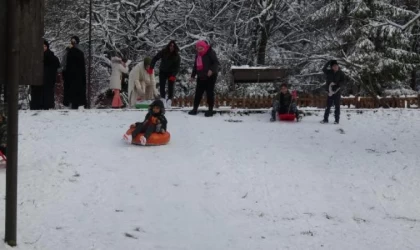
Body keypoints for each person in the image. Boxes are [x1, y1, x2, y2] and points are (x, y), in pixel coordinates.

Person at [188, 40, 220, 117]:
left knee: (209, 93)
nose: (199, 50)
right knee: (198, 93)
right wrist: (192, 76)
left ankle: (210, 110)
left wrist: (211, 70)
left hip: (211, 76)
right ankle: (195, 109)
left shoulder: (210, 52)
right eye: (198, 49)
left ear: (204, 47)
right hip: (201, 76)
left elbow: (216, 62)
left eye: (201, 48)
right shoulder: (198, 55)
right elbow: (195, 66)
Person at [30, 40, 61, 110]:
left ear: (47, 47)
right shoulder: (35, 56)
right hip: (37, 79)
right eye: (42, 46)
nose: (43, 48)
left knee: (47, 95)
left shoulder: (52, 57)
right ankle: (38, 106)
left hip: (48, 80)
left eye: (44, 46)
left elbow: (57, 66)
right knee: (37, 94)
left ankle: (47, 106)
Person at [150, 40, 181, 108]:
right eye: (170, 45)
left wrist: (173, 75)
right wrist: (151, 67)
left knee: (171, 86)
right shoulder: (164, 52)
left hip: (171, 72)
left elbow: (177, 67)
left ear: (175, 47)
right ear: (169, 46)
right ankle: (163, 99)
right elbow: (155, 58)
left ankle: (169, 100)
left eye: (173, 46)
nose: (171, 47)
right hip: (163, 71)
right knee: (162, 85)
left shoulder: (177, 56)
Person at [62, 36, 87, 109]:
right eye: (72, 40)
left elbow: (81, 63)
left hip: (77, 74)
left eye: (74, 40)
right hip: (70, 74)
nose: (73, 42)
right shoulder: (68, 50)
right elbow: (64, 60)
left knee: (76, 90)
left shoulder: (80, 50)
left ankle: (75, 104)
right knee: (70, 90)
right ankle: (71, 103)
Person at [320, 60, 345, 124]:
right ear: (331, 67)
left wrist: (338, 85)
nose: (335, 67)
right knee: (328, 106)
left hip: (337, 91)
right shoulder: (329, 72)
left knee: (337, 106)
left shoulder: (341, 73)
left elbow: (344, 81)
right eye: (334, 66)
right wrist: (328, 62)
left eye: (336, 66)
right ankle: (325, 119)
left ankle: (336, 120)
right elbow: (323, 69)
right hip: (330, 92)